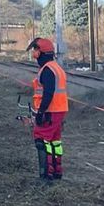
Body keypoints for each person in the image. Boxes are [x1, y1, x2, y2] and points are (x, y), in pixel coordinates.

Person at [26, 37, 68, 180]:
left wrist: (41, 112)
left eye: (35, 50)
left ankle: (46, 174)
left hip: (50, 111)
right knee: (55, 141)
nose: (34, 53)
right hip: (59, 110)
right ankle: (56, 171)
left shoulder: (47, 70)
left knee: (41, 139)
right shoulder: (56, 68)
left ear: (41, 51)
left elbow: (48, 93)